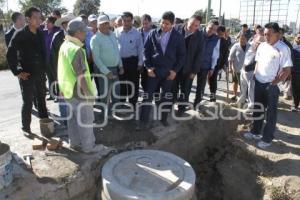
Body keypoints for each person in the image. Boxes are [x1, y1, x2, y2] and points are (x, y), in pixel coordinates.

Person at [57, 18, 104, 153]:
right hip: (79, 92)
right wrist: (89, 94)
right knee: (86, 120)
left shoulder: (64, 45)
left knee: (72, 119)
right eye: (84, 32)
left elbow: (61, 69)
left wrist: (61, 88)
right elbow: (81, 75)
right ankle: (89, 147)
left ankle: (75, 143)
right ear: (78, 33)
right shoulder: (76, 49)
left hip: (68, 90)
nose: (86, 35)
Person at [244, 22, 292, 149]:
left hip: (271, 86)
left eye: (269, 34)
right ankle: (255, 131)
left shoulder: (283, 48)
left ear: (277, 34)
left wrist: (274, 83)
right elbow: (258, 62)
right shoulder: (262, 46)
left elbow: (287, 70)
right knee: (258, 108)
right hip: (259, 81)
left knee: (271, 113)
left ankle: (267, 138)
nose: (266, 37)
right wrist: (255, 75)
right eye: (265, 34)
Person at [6, 7, 49, 138]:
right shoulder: (20, 34)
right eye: (35, 17)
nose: (39, 20)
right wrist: (18, 71)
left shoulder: (41, 33)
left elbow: (43, 53)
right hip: (27, 74)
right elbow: (10, 54)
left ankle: (45, 125)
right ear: (28, 19)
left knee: (42, 100)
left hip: (40, 73)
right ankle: (26, 127)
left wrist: (46, 70)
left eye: (40, 17)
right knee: (28, 102)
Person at [139, 11, 186, 128]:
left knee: (166, 97)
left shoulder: (178, 37)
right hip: (154, 72)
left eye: (167, 24)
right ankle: (143, 120)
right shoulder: (153, 33)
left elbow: (182, 56)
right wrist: (149, 67)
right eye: (162, 22)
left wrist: (175, 71)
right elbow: (146, 51)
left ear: (173, 23)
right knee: (148, 96)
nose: (164, 26)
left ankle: (163, 118)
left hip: (168, 73)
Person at [90, 14, 124, 117]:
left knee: (116, 91)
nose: (105, 25)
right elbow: (96, 58)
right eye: (102, 24)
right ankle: (105, 113)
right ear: (98, 25)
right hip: (103, 70)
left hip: (115, 69)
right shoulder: (95, 39)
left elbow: (117, 51)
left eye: (106, 23)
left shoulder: (112, 34)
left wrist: (120, 65)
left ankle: (115, 110)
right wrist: (106, 71)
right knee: (104, 93)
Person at [173, 14, 203, 114]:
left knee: (185, 90)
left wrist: (194, 71)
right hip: (175, 67)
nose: (193, 27)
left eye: (196, 25)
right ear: (187, 21)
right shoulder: (176, 28)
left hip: (188, 68)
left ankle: (181, 109)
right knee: (172, 88)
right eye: (192, 23)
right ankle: (169, 106)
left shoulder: (199, 36)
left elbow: (199, 55)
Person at [50, 13, 75, 125]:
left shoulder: (77, 36)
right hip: (62, 74)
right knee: (63, 98)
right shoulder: (57, 37)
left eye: (70, 23)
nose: (68, 25)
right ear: (63, 25)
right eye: (66, 23)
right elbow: (53, 58)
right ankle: (65, 120)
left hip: (76, 73)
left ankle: (74, 119)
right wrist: (56, 75)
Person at [115, 12, 143, 108]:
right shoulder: (117, 32)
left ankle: (133, 104)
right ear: (122, 21)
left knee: (133, 84)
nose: (126, 23)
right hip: (120, 61)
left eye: (128, 21)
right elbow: (115, 49)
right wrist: (120, 65)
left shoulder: (137, 33)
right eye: (124, 21)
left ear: (132, 21)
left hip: (133, 62)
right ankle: (122, 103)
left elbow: (140, 49)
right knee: (122, 84)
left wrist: (140, 63)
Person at [233, 35, 264, 112]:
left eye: (261, 43)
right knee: (243, 88)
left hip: (252, 72)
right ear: (254, 40)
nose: (259, 44)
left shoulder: (262, 50)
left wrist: (255, 72)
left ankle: (251, 106)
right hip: (244, 71)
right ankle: (240, 102)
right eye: (258, 42)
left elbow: (259, 62)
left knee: (251, 90)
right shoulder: (250, 46)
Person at [194, 19, 219, 110]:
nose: (211, 31)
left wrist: (212, 67)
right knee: (187, 85)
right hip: (192, 64)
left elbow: (215, 55)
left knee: (201, 86)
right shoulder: (197, 34)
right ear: (206, 26)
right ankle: (183, 104)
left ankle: (197, 104)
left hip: (205, 65)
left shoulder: (216, 39)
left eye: (214, 30)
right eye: (210, 28)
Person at [208, 25, 230, 102]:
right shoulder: (210, 38)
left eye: (222, 34)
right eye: (219, 34)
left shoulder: (224, 41)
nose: (220, 36)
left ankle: (212, 96)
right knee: (206, 80)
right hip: (207, 62)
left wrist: (223, 64)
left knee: (213, 80)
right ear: (216, 32)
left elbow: (226, 54)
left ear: (224, 33)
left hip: (217, 64)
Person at [228, 33, 250, 101]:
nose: (242, 40)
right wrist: (230, 67)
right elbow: (230, 58)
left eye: (243, 39)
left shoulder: (250, 46)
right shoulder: (235, 46)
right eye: (240, 39)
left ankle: (244, 96)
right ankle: (235, 95)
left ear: (246, 39)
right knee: (236, 82)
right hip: (236, 68)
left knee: (245, 84)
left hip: (247, 69)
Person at [42, 16, 59, 100]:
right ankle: (52, 95)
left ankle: (58, 95)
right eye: (46, 22)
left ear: (53, 23)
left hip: (55, 60)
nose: (46, 24)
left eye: (48, 22)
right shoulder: (44, 32)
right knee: (50, 77)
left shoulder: (57, 32)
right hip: (46, 60)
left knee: (56, 77)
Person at [139, 14, 156, 92]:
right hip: (141, 61)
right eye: (143, 23)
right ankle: (146, 98)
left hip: (152, 61)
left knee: (153, 82)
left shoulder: (156, 33)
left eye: (146, 23)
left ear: (150, 23)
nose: (144, 25)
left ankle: (151, 98)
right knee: (143, 81)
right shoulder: (138, 31)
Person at [279, 28, 293, 100]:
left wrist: (290, 67)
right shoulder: (272, 42)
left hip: (284, 65)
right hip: (275, 66)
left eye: (280, 33)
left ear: (282, 34)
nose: (278, 34)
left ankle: (286, 93)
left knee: (286, 79)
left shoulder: (287, 44)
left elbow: (291, 56)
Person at [291, 33, 300, 112]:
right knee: (295, 89)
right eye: (299, 37)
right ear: (295, 38)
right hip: (296, 72)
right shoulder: (293, 48)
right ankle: (295, 105)